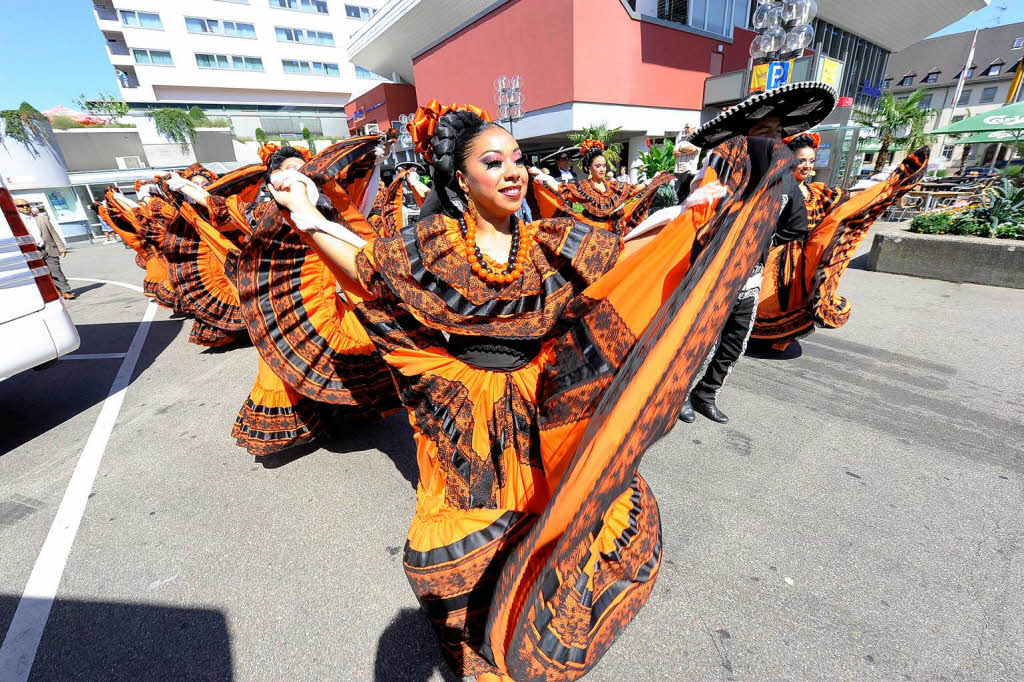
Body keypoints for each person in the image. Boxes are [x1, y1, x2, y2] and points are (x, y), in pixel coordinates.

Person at [261, 98, 793, 680]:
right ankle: (473, 634)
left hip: (539, 393)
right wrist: (308, 218)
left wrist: (698, 213)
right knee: (460, 523)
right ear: (462, 180)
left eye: (517, 159)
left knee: (547, 509)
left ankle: (518, 628)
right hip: (460, 399)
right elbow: (367, 271)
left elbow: (628, 259)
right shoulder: (433, 242)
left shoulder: (551, 242)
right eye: (494, 162)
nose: (513, 171)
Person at [679, 81, 837, 424]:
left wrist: (762, 241)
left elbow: (795, 227)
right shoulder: (722, 170)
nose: (774, 139)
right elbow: (690, 213)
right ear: (745, 135)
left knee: (735, 341)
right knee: (702, 339)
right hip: (712, 272)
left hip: (751, 275)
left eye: (778, 132)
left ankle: (706, 394)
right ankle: (680, 396)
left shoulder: (785, 179)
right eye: (766, 131)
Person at [752, 133, 929, 351]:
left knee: (800, 298)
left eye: (811, 161)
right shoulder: (777, 189)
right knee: (772, 300)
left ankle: (781, 340)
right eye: (801, 161)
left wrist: (885, 188)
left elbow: (848, 203)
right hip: (779, 253)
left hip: (809, 254)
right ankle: (761, 338)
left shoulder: (817, 191)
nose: (807, 166)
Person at [530, 139, 672, 235]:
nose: (602, 169)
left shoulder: (612, 185)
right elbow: (559, 188)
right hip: (590, 230)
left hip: (611, 229)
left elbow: (633, 190)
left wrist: (651, 180)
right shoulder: (583, 187)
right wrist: (543, 176)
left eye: (604, 166)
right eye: (598, 166)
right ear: (589, 168)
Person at [15, 200, 74, 300]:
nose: (25, 207)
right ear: (15, 207)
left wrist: (61, 248)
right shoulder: (16, 222)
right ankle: (56, 290)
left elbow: (53, 233)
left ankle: (66, 291)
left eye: (27, 205)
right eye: (21, 206)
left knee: (56, 271)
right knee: (42, 274)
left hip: (49, 248)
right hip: (32, 252)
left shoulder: (42, 218)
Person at [673, 122, 700, 203]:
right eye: (685, 127)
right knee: (675, 195)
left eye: (688, 127)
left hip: (689, 172)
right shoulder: (681, 140)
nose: (686, 129)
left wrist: (680, 149)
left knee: (685, 196)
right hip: (678, 171)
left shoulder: (697, 139)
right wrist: (685, 151)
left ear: (694, 128)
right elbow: (674, 152)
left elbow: (693, 149)